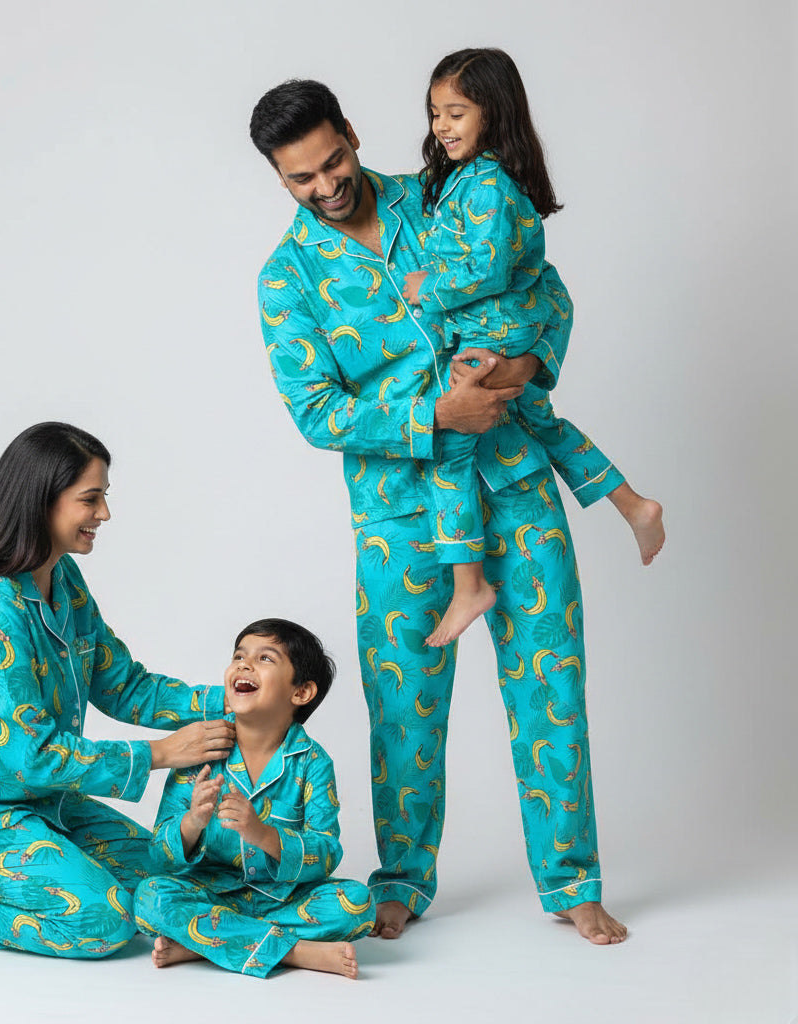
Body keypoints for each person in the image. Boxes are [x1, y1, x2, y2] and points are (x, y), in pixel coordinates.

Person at [250, 80, 627, 944]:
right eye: (301, 177)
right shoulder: (286, 280)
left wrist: (526, 369)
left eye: (334, 160)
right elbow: (316, 412)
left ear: (351, 133)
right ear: (280, 179)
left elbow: (547, 291)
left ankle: (572, 882)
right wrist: (432, 417)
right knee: (402, 709)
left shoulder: (442, 196)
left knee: (552, 688)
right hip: (399, 523)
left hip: (518, 486)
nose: (326, 186)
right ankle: (404, 880)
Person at [0, 422, 235, 957]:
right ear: (41, 502)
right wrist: (162, 754)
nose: (104, 514)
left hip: (38, 799)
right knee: (105, 921)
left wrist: (235, 699)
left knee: (167, 879)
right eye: (90, 499)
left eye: (104, 497)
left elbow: (125, 686)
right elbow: (31, 756)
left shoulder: (65, 581)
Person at [401, 48, 664, 645]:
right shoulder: (468, 178)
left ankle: (468, 585)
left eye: (456, 113)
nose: (442, 125)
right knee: (543, 422)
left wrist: (431, 287)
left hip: (492, 335)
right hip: (508, 330)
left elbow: (489, 269)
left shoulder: (488, 183)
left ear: (492, 114)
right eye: (435, 112)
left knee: (448, 449)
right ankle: (633, 503)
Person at [135, 618, 374, 979]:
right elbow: (160, 856)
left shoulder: (313, 763)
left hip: (285, 899)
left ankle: (203, 942)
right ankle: (297, 953)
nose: (244, 665)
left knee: (357, 904)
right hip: (210, 894)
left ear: (302, 692)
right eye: (239, 655)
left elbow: (326, 852)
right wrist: (192, 822)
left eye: (265, 658)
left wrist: (263, 834)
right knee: (150, 897)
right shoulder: (200, 750)